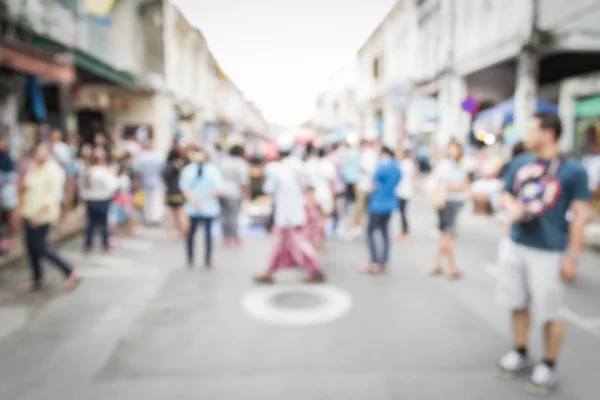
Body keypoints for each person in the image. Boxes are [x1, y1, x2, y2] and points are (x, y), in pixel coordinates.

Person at [495, 112, 589, 394]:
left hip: (548, 251)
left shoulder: (573, 171)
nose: (527, 134)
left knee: (550, 312)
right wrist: (511, 207)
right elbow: (506, 192)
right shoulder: (521, 162)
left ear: (548, 134)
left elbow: (581, 215)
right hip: (516, 244)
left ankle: (548, 364)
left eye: (532, 128)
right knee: (517, 302)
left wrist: (572, 256)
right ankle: (520, 351)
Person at [254, 133, 324, 284]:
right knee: (281, 244)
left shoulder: (275, 169)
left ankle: (315, 270)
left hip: (287, 215)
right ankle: (269, 271)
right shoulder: (297, 165)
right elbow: (307, 186)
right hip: (294, 213)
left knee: (297, 243)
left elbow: (268, 189)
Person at [19, 143, 78, 292]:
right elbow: (27, 188)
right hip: (28, 213)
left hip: (41, 217)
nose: (40, 154)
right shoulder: (33, 168)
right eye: (38, 151)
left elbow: (53, 197)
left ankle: (69, 271)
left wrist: (37, 215)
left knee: (41, 248)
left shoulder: (53, 171)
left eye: (44, 151)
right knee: (31, 248)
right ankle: (37, 279)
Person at [430, 140, 469, 279]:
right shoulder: (445, 165)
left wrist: (459, 186)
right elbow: (449, 185)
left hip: (456, 203)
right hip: (447, 202)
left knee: (446, 236)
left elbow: (465, 184)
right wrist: (458, 186)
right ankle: (452, 267)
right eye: (450, 148)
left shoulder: (460, 165)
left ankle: (436, 264)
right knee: (448, 236)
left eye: (455, 148)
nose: (452, 151)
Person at [179, 147, 222, 268]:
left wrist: (201, 198)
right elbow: (184, 187)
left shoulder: (213, 170)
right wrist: (193, 199)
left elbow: (217, 188)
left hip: (208, 206)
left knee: (208, 233)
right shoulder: (188, 170)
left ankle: (208, 258)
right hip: (192, 207)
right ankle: (190, 257)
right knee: (190, 233)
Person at [361, 146, 401, 273]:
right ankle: (384, 261)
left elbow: (373, 181)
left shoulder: (381, 165)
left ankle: (374, 261)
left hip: (378, 203)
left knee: (370, 232)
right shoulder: (396, 166)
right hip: (390, 203)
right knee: (385, 232)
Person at [80, 147, 118, 253]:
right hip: (102, 200)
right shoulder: (103, 171)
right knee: (103, 223)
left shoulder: (88, 170)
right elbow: (112, 186)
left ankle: (87, 244)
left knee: (90, 223)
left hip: (90, 200)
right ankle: (105, 243)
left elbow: (82, 188)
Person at [218, 144, 250, 245]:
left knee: (224, 215)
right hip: (234, 192)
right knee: (233, 215)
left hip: (222, 191)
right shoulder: (241, 163)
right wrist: (246, 194)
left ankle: (225, 236)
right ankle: (234, 236)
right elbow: (243, 181)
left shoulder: (223, 161)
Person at [137, 139, 165, 225]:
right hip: (157, 180)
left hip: (145, 181)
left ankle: (148, 217)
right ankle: (155, 217)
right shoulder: (158, 156)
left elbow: (139, 170)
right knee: (156, 200)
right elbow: (162, 169)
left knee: (147, 200)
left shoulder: (142, 156)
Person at [163, 148, 188, 239]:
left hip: (169, 191)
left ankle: (172, 233)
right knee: (180, 212)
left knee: (171, 213)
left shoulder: (167, 165)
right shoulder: (179, 164)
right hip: (178, 190)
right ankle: (184, 230)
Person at [0, 133, 18, 251]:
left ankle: (12, 238)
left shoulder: (7, 158)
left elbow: (11, 176)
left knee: (10, 215)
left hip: (7, 191)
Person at [395, 148, 416, 242]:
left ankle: (405, 232)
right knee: (402, 213)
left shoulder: (405, 164)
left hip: (404, 192)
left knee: (403, 213)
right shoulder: (405, 163)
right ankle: (403, 232)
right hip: (403, 191)